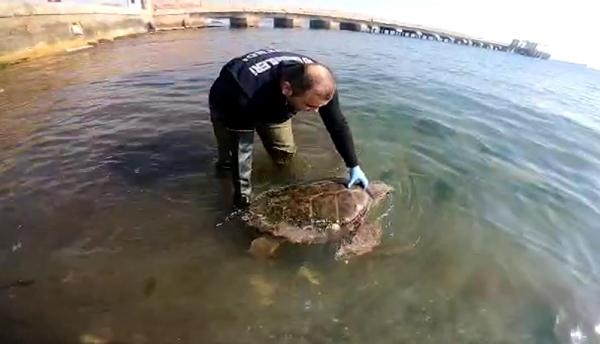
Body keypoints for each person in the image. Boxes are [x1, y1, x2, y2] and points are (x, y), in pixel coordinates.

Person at [208, 48, 369, 208]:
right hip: (229, 100)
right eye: (310, 106)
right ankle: (226, 186)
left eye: (319, 106)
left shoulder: (319, 83)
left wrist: (353, 165)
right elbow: (241, 150)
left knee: (284, 153)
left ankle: (278, 180)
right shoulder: (244, 93)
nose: (316, 111)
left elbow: (337, 125)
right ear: (287, 89)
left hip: (277, 101)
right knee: (230, 161)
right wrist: (242, 199)